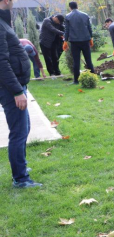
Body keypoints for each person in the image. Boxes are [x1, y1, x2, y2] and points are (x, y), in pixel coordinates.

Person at [0, 0, 43, 188]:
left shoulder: (2, 21)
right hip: (11, 89)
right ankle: (21, 178)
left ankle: (21, 167)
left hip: (16, 85)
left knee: (23, 128)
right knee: (18, 132)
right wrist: (17, 91)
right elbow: (1, 62)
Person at [63, 1, 95, 84]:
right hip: (85, 40)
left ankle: (76, 80)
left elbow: (67, 30)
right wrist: (91, 38)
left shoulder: (68, 16)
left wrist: (65, 41)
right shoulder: (85, 15)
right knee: (89, 60)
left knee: (76, 61)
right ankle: (93, 78)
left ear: (70, 7)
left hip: (74, 42)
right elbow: (89, 28)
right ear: (77, 6)